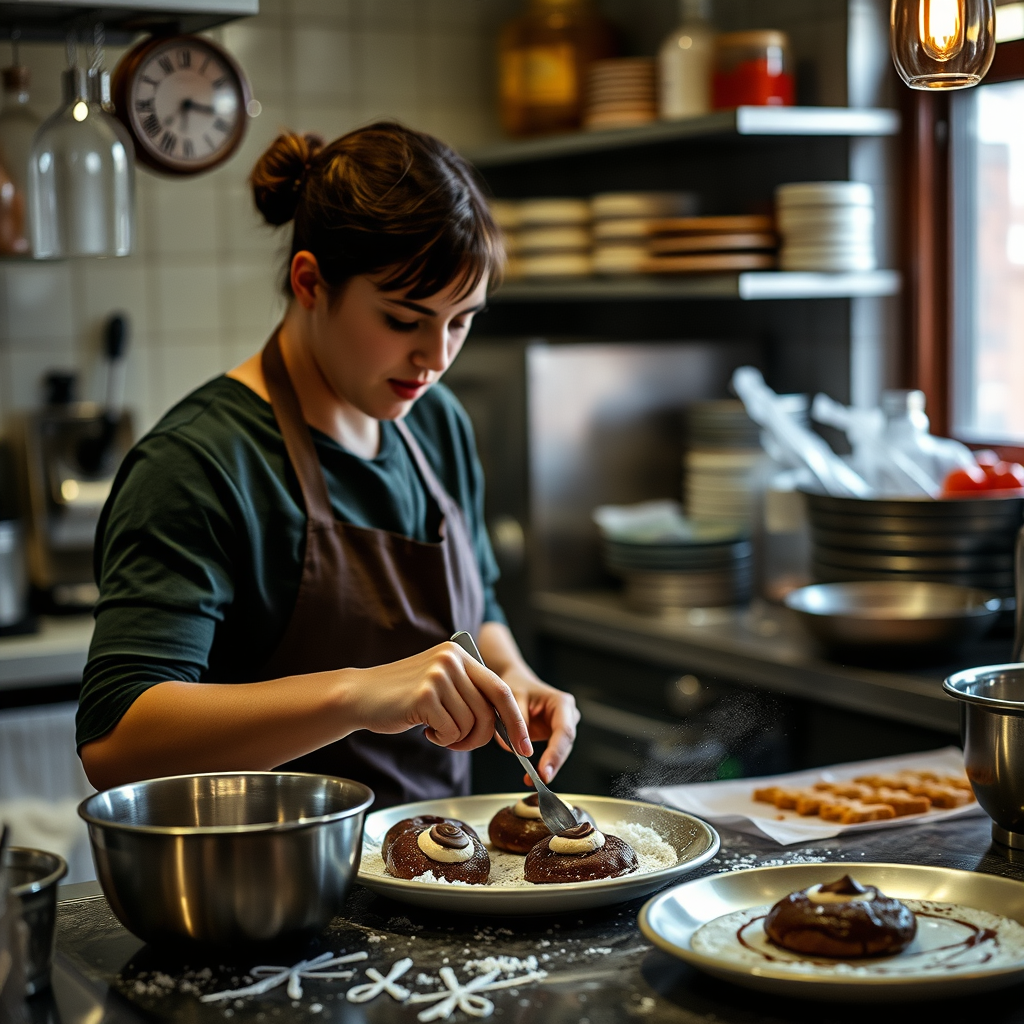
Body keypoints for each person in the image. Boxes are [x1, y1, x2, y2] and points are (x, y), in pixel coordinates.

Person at [76, 122, 579, 807]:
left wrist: (513, 673)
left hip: (437, 878)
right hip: (271, 889)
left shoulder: (435, 423)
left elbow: (479, 601)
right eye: (405, 319)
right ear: (310, 282)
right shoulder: (199, 464)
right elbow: (116, 742)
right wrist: (357, 694)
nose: (435, 357)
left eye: (461, 320)